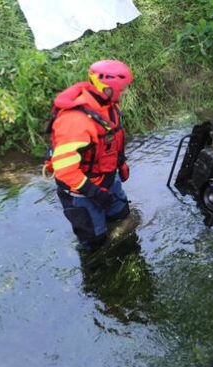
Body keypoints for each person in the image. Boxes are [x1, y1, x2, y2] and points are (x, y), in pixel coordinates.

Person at [46, 60, 134, 252]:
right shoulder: (75, 121)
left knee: (122, 217)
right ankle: (99, 272)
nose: (126, 93)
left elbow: (112, 141)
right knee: (95, 242)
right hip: (82, 192)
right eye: (124, 89)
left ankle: (126, 252)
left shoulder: (108, 106)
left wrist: (121, 164)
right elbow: (65, 172)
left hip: (108, 179)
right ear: (109, 88)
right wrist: (95, 193)